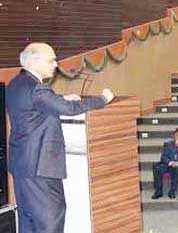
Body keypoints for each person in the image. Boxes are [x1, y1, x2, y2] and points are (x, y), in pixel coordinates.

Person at [8, 43, 114, 233]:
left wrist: (61, 98)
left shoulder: (16, 84)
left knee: (29, 222)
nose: (55, 64)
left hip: (23, 165)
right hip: (41, 168)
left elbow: (37, 108)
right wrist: (103, 99)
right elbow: (69, 110)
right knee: (50, 220)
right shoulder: (37, 88)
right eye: (51, 60)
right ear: (35, 61)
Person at [152, 129, 178, 200]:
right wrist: (170, 163)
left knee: (177, 169)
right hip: (169, 164)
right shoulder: (168, 144)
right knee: (156, 167)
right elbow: (163, 157)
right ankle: (158, 191)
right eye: (177, 135)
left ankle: (172, 191)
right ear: (174, 136)